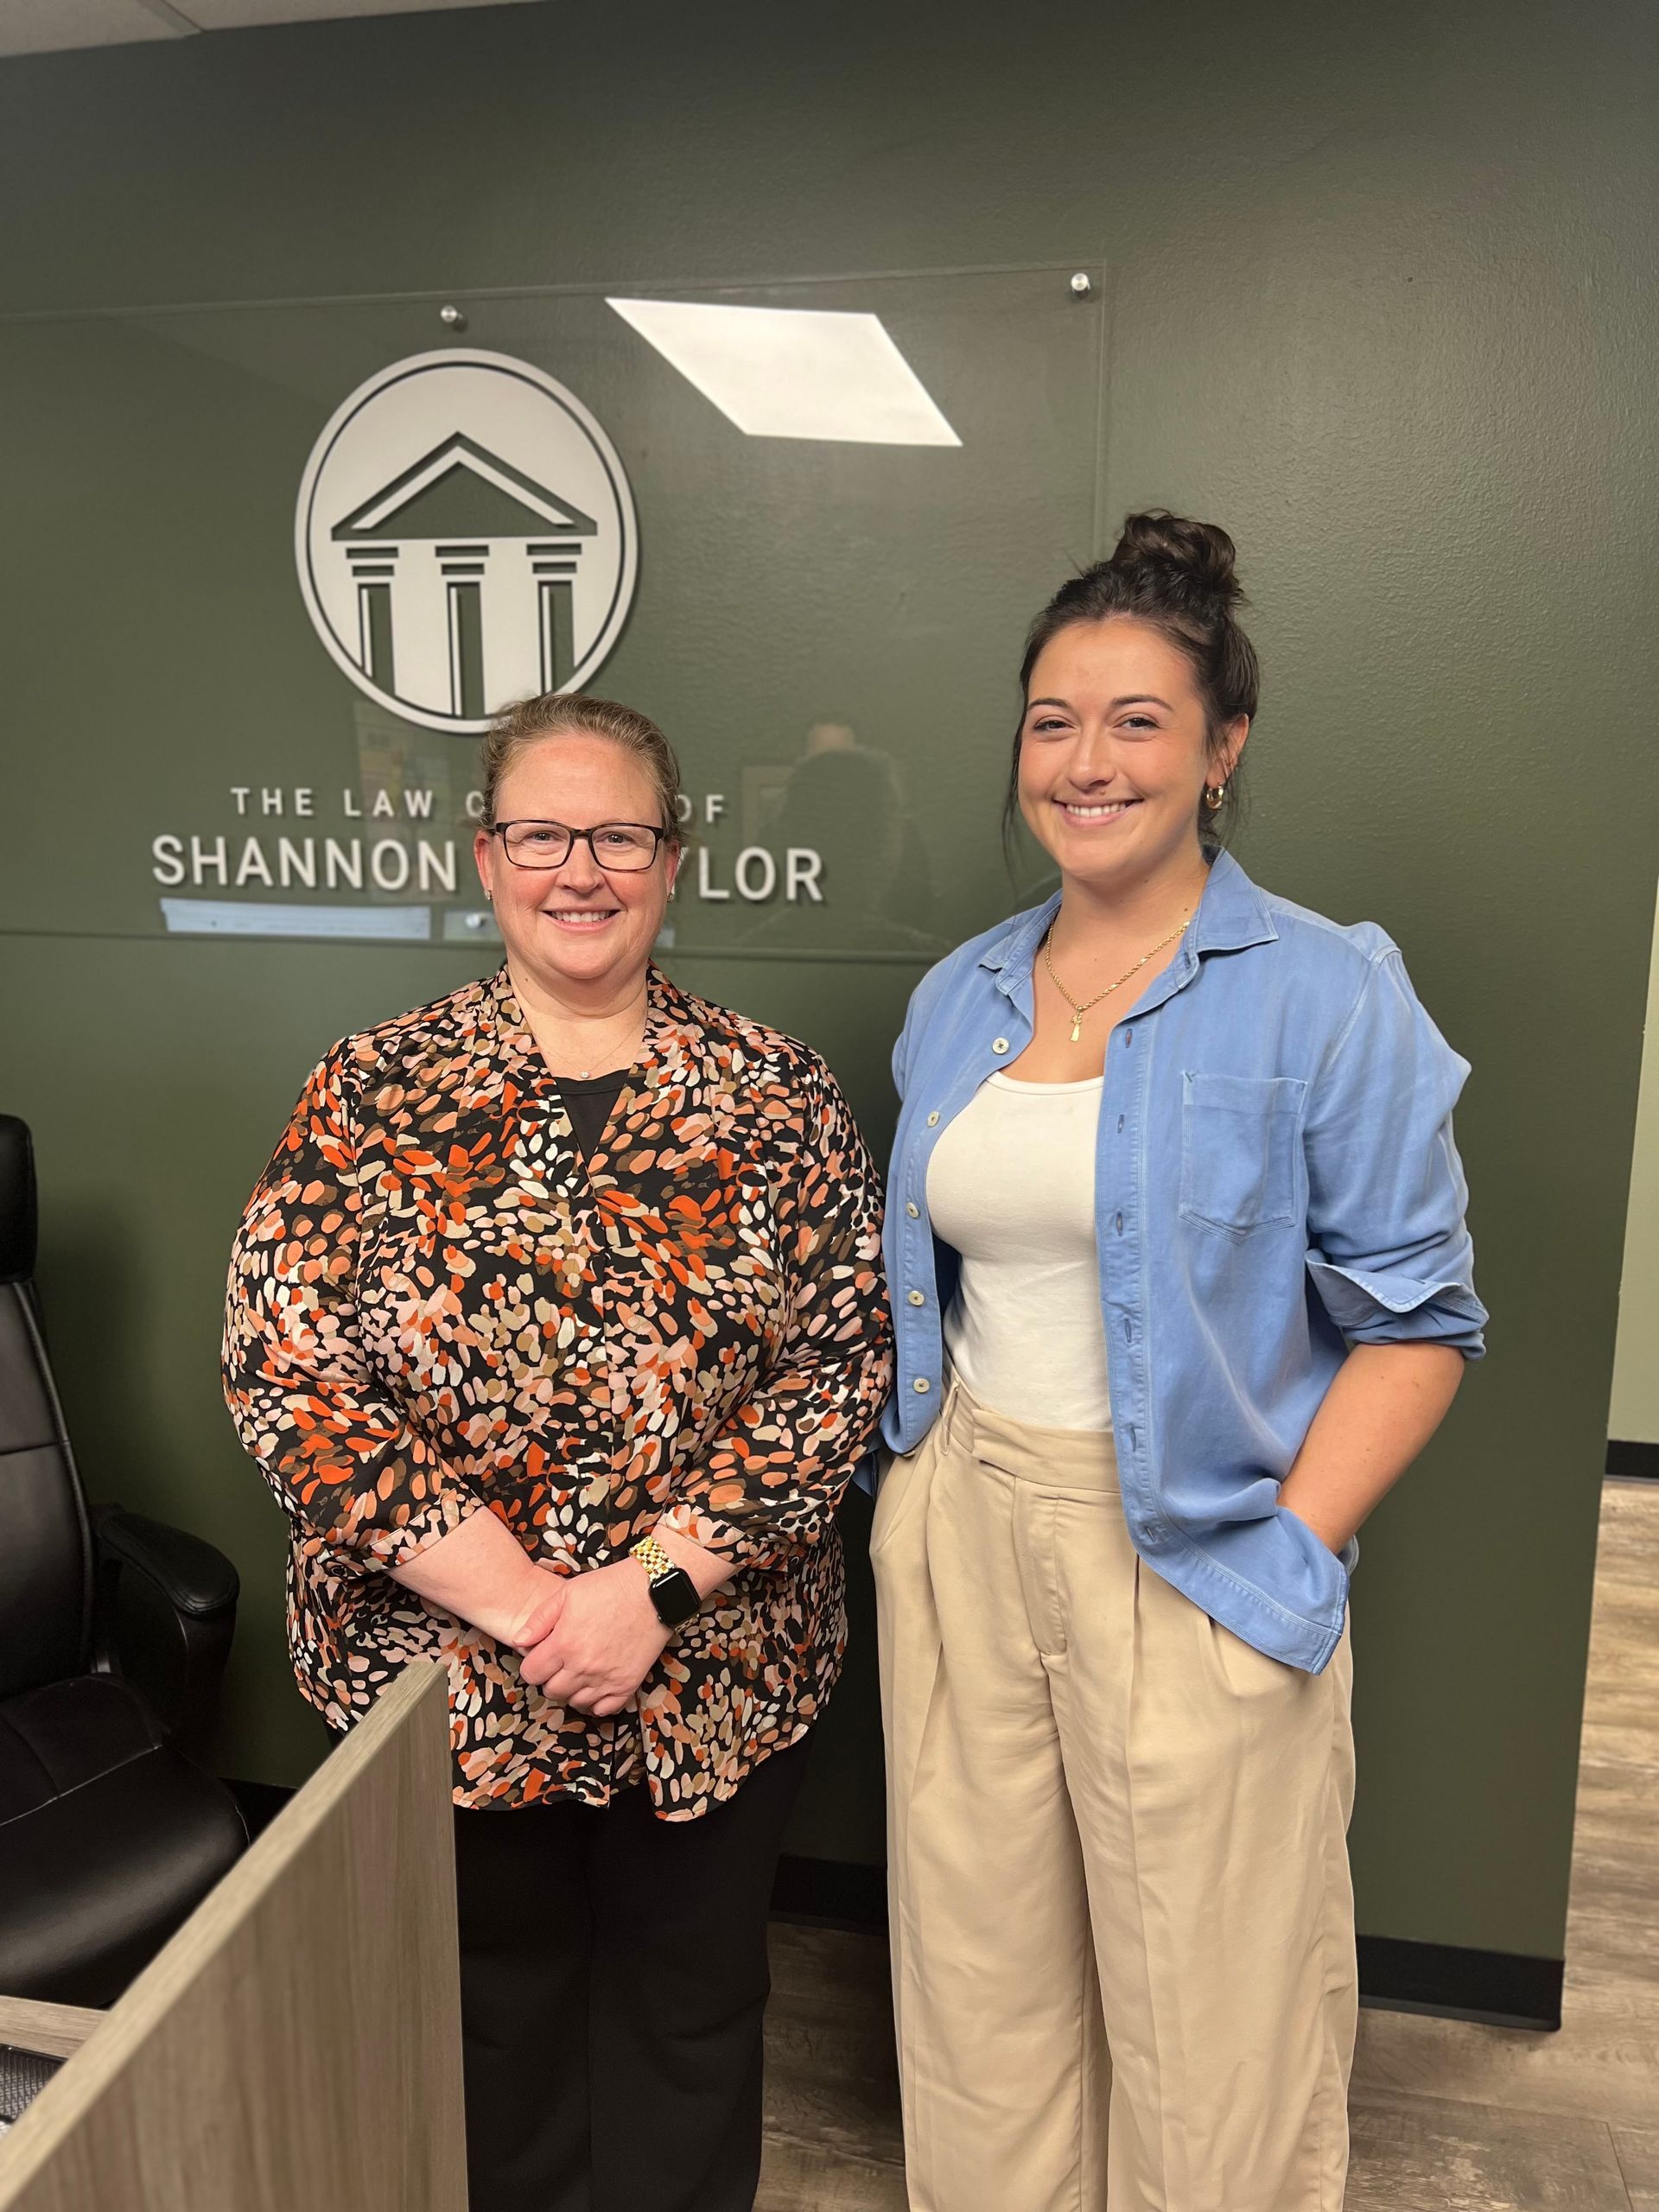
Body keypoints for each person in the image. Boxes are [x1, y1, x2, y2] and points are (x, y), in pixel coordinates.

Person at [872, 512, 1486, 2212]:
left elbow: (1420, 1324)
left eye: (1137, 720)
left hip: (1198, 1544)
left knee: (1216, 2021)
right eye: (1052, 720)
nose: (1086, 760)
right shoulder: (960, 997)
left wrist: (1287, 1554)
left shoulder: (1326, 997)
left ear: (1223, 749)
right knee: (980, 1977)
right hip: (962, 1526)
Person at [224, 691, 893, 2212]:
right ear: (486, 854)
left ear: (674, 861)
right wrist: (534, 1606)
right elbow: (289, 1372)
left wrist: (646, 1595)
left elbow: (835, 1373)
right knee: (491, 2038)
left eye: (619, 834)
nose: (578, 869)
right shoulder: (370, 1093)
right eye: (542, 832)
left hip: (711, 1679)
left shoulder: (778, 1099)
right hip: (450, 1686)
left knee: (692, 2024)